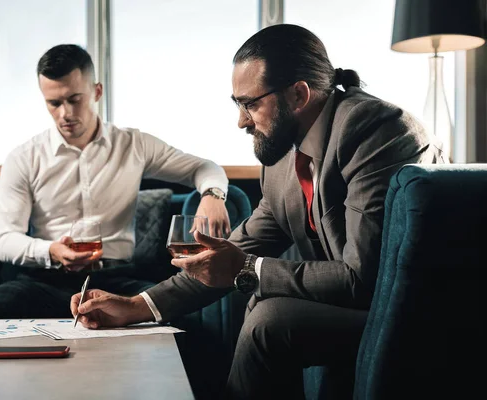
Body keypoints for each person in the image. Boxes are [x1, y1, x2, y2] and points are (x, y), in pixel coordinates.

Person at [71, 24, 445, 399]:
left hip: (415, 311)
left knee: (270, 320)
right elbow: (227, 253)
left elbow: (362, 278)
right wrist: (136, 306)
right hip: (360, 304)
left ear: (299, 94)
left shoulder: (375, 130)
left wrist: (248, 269)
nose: (241, 121)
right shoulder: (282, 159)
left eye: (250, 104)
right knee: (263, 302)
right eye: (237, 104)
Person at [0, 44, 231, 319]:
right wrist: (50, 250)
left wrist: (213, 195)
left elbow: (204, 167)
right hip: (45, 281)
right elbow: (3, 239)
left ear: (97, 91)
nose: (65, 113)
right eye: (54, 103)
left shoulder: (134, 145)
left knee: (182, 316)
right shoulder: (23, 158)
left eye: (74, 99)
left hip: (119, 279)